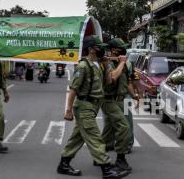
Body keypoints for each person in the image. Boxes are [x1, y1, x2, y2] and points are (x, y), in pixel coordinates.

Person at [57, 35, 129, 178]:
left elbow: (110, 80)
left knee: (77, 137)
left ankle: (63, 164)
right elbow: (73, 89)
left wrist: (108, 63)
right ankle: (106, 169)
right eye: (98, 47)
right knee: (95, 138)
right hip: (84, 106)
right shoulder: (83, 65)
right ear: (91, 49)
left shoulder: (99, 65)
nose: (102, 50)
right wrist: (68, 110)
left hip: (93, 106)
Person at [100, 38, 139, 171]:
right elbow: (112, 78)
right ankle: (120, 159)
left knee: (109, 129)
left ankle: (99, 156)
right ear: (113, 50)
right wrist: (122, 62)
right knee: (124, 127)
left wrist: (134, 95)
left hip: (121, 99)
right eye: (120, 49)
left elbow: (127, 81)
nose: (123, 51)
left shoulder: (124, 64)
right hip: (109, 100)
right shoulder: (107, 62)